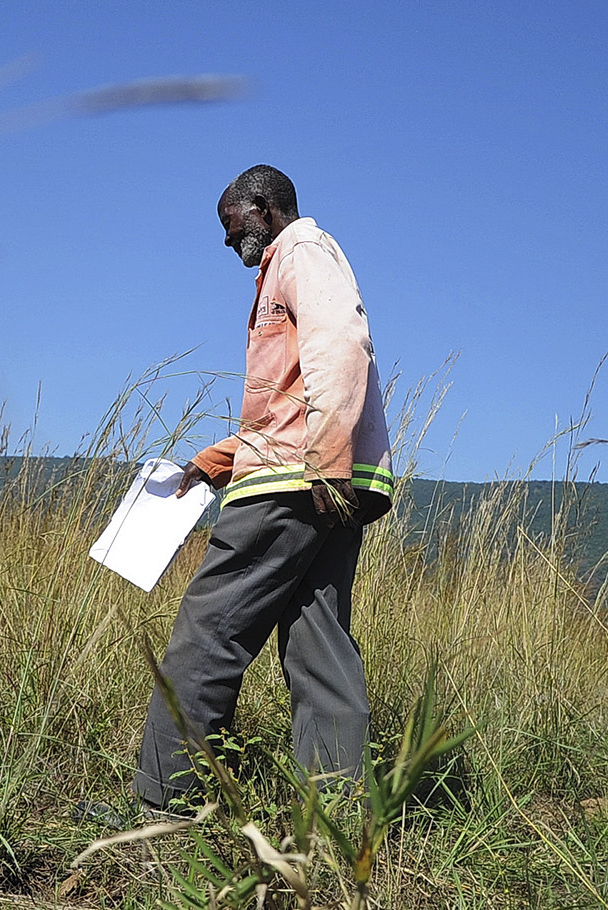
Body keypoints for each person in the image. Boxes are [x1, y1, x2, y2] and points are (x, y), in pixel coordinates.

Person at [135, 164, 393, 810]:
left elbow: (342, 345)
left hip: (297, 484)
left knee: (207, 631)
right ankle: (334, 821)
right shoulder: (288, 267)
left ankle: (164, 806)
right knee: (319, 647)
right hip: (321, 482)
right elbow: (282, 405)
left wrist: (327, 459)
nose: (227, 240)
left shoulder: (302, 251)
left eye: (231, 223)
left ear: (263, 205)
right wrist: (215, 463)